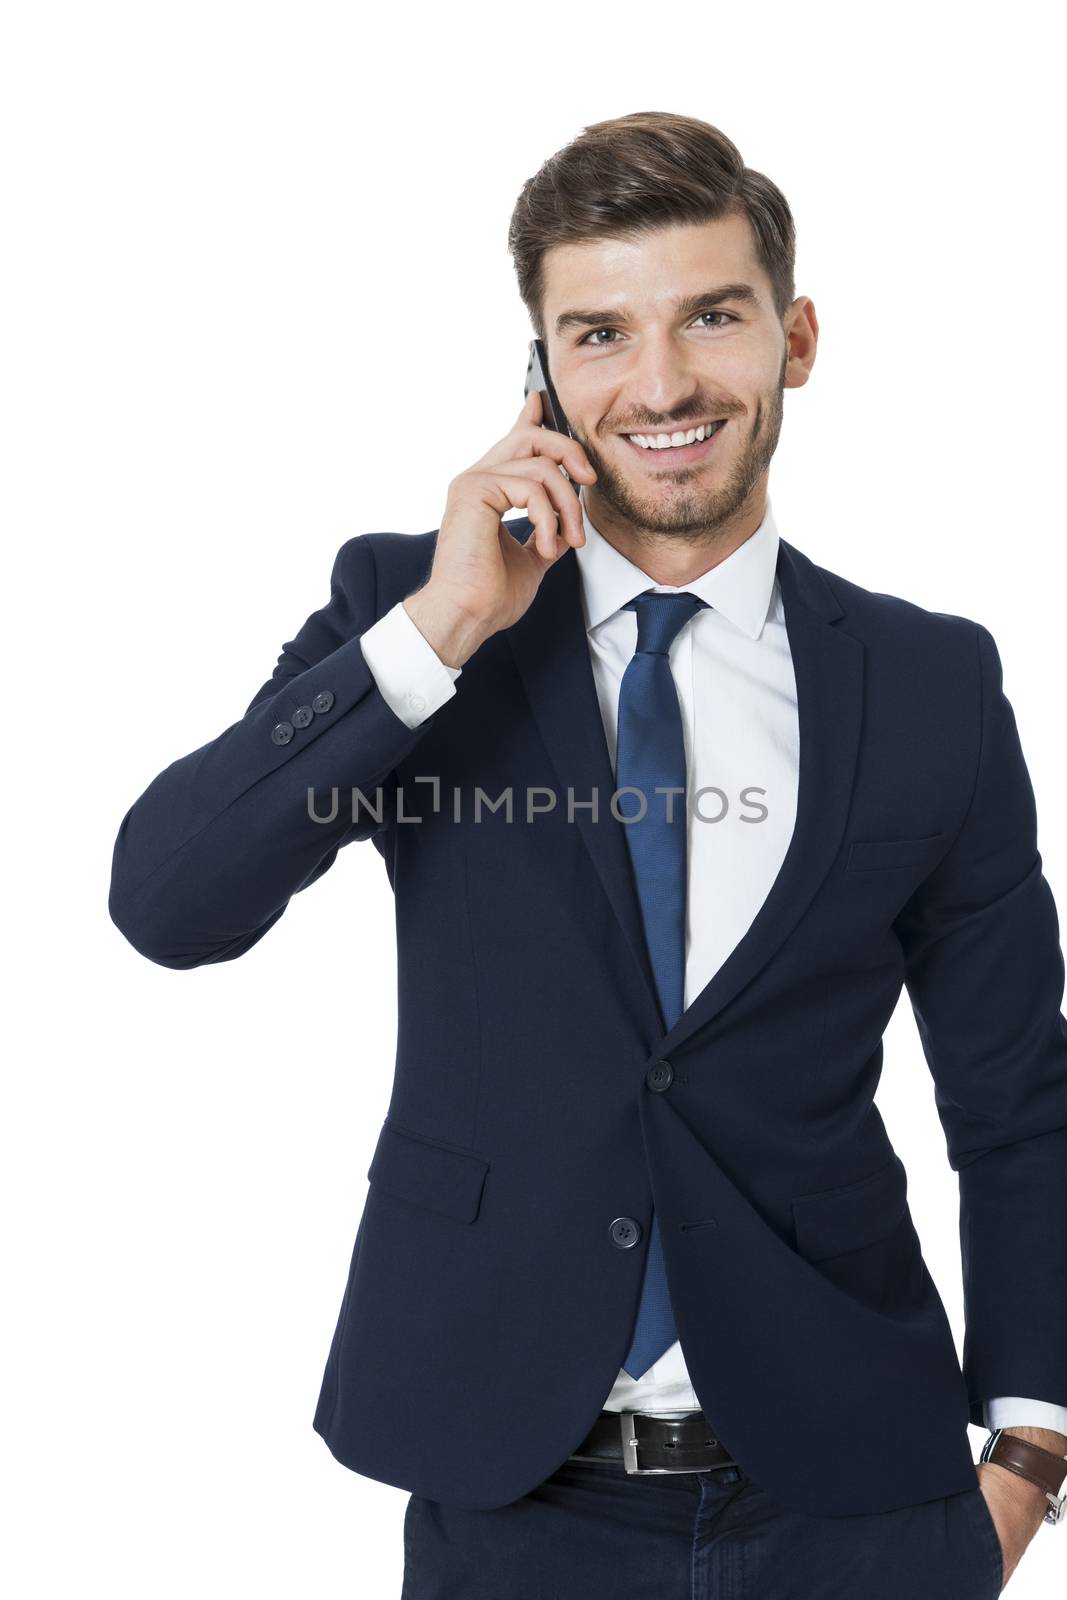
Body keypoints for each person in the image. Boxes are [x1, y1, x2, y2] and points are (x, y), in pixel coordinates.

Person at [109, 111, 1067, 1596]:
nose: (665, 382)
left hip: (859, 1503)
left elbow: (1019, 1099)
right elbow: (168, 903)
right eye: (602, 333)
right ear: (543, 373)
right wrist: (439, 633)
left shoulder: (931, 681)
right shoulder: (414, 615)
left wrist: (1027, 1457)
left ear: (796, 338)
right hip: (512, 1492)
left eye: (714, 317)